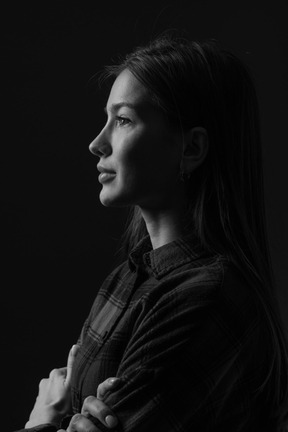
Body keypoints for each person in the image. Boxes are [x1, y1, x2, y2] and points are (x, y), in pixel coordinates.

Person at [16, 33, 288, 431]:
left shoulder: (205, 299)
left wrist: (41, 420)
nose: (96, 143)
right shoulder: (128, 278)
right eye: (106, 118)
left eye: (124, 120)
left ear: (191, 148)